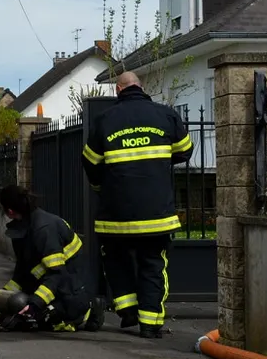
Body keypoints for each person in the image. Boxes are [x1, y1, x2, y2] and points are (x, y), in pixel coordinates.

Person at [81, 71, 194, 338]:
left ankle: (129, 311)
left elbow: (90, 163)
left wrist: (101, 187)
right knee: (153, 264)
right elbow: (185, 150)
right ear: (141, 88)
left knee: (116, 261)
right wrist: (158, 163)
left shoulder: (104, 120)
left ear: (118, 91)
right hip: (156, 213)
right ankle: (150, 324)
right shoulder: (165, 115)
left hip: (115, 213)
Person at [0, 185, 103, 333]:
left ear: (9, 211)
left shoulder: (44, 230)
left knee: (35, 316)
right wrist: (2, 296)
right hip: (56, 286)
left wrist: (35, 305)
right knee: (16, 309)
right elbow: (23, 271)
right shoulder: (22, 229)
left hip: (71, 290)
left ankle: (91, 309)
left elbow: (56, 274)